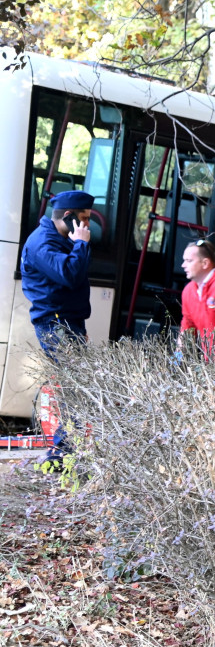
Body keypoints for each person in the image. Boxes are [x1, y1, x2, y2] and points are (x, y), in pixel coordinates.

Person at [20, 189, 96, 467]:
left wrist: (79, 324)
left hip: (67, 322)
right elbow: (69, 275)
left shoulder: (62, 237)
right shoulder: (43, 243)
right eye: (84, 218)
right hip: (55, 323)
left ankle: (63, 452)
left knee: (76, 387)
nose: (87, 225)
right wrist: (81, 245)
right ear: (69, 216)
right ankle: (60, 454)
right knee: (77, 388)